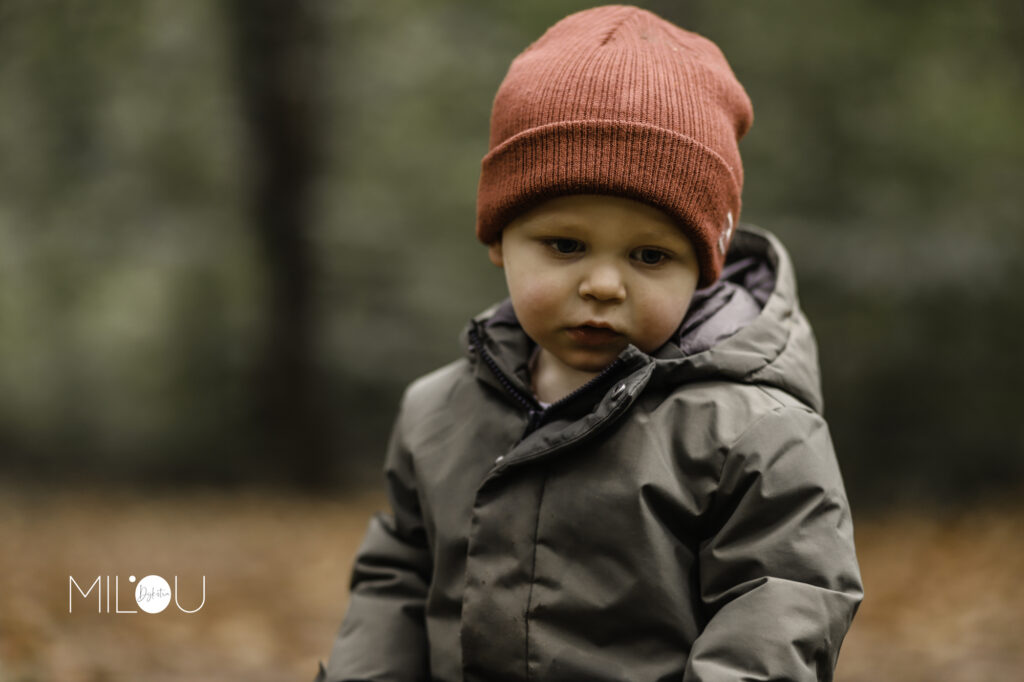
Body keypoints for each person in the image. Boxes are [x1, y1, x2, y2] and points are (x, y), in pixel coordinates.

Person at [316, 5, 862, 681]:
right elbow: (396, 579)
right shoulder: (436, 415)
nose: (604, 284)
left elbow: (783, 607)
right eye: (565, 245)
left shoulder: (754, 434)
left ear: (702, 268)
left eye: (651, 256)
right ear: (497, 239)